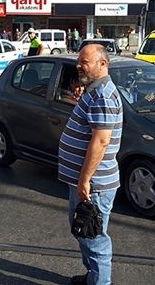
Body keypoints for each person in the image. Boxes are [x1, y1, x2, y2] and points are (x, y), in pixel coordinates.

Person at [58, 44, 123, 285]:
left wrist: (85, 180)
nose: (78, 65)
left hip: (94, 185)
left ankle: (99, 282)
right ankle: (92, 277)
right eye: (79, 60)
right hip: (86, 182)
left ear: (102, 64)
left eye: (84, 61)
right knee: (84, 231)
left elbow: (101, 141)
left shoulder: (103, 95)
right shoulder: (95, 91)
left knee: (94, 237)